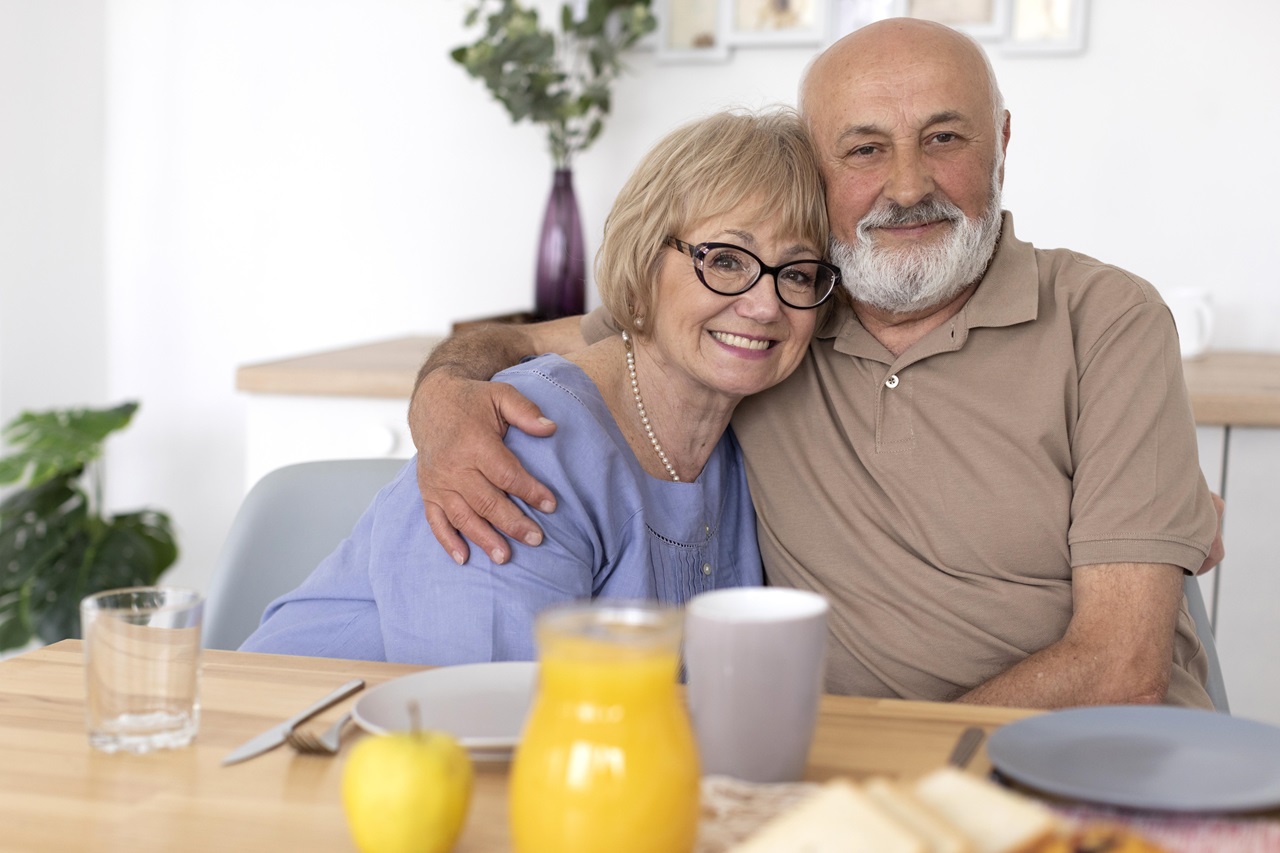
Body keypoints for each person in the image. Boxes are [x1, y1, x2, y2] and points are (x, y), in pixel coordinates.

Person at [407, 18, 1223, 708]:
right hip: (843, 789)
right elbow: (521, 346)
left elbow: (1123, 668)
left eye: (943, 138)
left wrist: (899, 777)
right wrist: (442, 398)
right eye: (864, 149)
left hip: (1082, 764)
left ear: (1002, 142)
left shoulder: (1110, 319)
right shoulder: (765, 318)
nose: (907, 186)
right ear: (815, 169)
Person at [240, 109, 837, 662]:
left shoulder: (737, 451)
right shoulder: (525, 443)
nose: (764, 305)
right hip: (296, 748)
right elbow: (484, 720)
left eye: (798, 271)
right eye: (727, 259)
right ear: (643, 261)